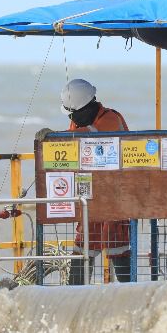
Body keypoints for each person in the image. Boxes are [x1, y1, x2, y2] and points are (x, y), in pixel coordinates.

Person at [59, 79, 131, 283]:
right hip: (90, 196)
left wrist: (56, 137)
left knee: (118, 248)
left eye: (73, 113)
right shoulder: (79, 122)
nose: (71, 118)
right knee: (82, 250)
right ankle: (74, 298)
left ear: (87, 107)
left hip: (115, 197)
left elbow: (93, 135)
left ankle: (132, 297)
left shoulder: (111, 119)